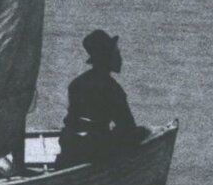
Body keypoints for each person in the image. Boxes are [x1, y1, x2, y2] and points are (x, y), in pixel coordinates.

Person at [59, 28, 148, 165]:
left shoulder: (76, 83)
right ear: (107, 57)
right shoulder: (112, 89)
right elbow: (128, 128)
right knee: (140, 133)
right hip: (94, 149)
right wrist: (143, 133)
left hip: (70, 145)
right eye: (117, 53)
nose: (120, 58)